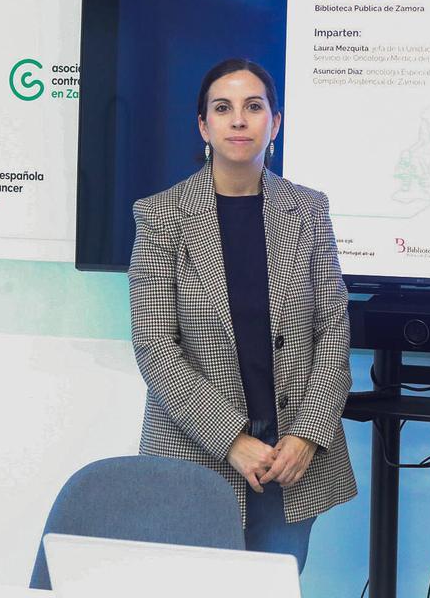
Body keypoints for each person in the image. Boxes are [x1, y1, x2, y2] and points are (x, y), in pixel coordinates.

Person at [128, 58, 355, 570]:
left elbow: (333, 330)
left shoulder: (308, 210)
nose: (238, 120)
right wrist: (231, 439)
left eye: (254, 107)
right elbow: (155, 345)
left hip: (289, 459)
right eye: (222, 108)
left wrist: (308, 434)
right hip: (196, 450)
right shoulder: (160, 215)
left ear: (275, 123)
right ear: (203, 126)